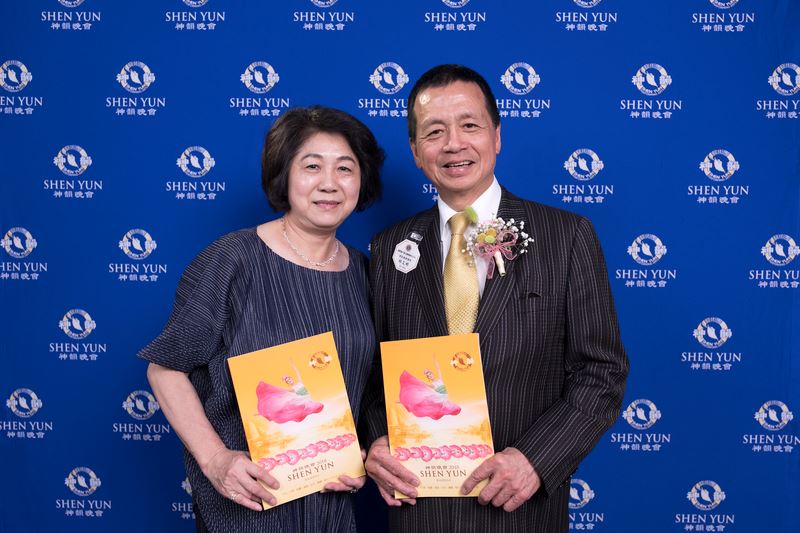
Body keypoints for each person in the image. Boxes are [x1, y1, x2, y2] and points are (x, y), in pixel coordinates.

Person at [360, 64, 629, 532]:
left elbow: (601, 371)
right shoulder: (389, 248)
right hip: (420, 510)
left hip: (519, 509)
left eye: (470, 125)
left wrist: (535, 460)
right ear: (416, 152)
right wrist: (377, 439)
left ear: (497, 136)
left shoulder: (566, 237)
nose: (453, 144)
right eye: (434, 132)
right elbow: (371, 373)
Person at [140, 106, 384, 533]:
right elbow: (165, 370)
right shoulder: (232, 259)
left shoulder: (365, 273)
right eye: (312, 166)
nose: (329, 183)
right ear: (283, 174)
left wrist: (361, 453)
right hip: (248, 506)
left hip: (330, 508)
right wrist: (216, 460)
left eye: (345, 168)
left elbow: (363, 390)